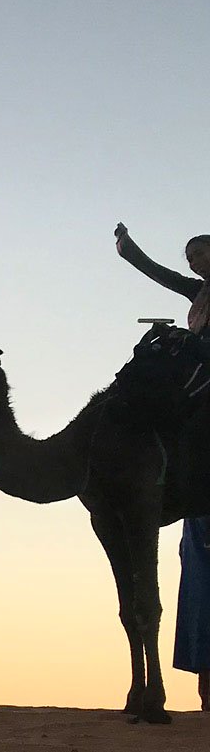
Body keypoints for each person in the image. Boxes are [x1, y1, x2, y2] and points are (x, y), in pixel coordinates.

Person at [115, 221, 210, 710]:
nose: (194, 262)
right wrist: (129, 251)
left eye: (201, 254)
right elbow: (159, 274)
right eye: (190, 257)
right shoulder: (197, 291)